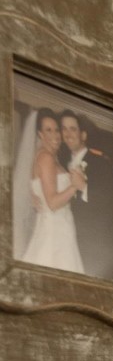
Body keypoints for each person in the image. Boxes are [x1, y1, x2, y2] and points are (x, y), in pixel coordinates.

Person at [11, 108, 85, 273]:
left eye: (56, 130)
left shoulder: (48, 157)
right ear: (40, 134)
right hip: (55, 231)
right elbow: (52, 202)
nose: (55, 135)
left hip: (59, 227)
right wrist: (75, 185)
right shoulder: (46, 158)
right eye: (48, 130)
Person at [59, 109, 113, 279]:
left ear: (83, 135)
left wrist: (84, 187)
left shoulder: (100, 161)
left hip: (92, 242)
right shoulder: (61, 162)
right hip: (67, 236)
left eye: (72, 129)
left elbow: (109, 200)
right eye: (64, 129)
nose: (68, 134)